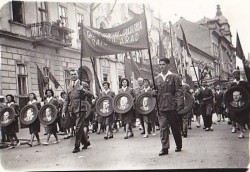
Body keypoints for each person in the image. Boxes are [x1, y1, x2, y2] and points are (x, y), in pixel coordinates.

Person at [153, 58, 184, 156]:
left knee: (175, 127)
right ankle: (164, 148)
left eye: (163, 64)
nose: (161, 66)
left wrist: (179, 105)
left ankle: (178, 144)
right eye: (160, 64)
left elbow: (179, 92)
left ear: (168, 65)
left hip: (172, 106)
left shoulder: (174, 77)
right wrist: (153, 93)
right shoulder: (157, 78)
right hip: (161, 106)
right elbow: (154, 91)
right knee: (163, 127)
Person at [62, 69, 92, 153]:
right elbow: (66, 100)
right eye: (71, 74)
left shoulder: (83, 84)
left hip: (81, 108)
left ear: (77, 74)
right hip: (72, 109)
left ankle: (77, 146)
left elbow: (90, 95)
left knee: (78, 127)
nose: (73, 76)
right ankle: (86, 142)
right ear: (70, 76)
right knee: (79, 127)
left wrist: (84, 91)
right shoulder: (69, 87)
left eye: (74, 74)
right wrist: (64, 111)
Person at [229, 69, 250, 138]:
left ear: (239, 74)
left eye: (237, 74)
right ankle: (241, 132)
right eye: (234, 74)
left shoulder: (244, 83)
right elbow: (230, 93)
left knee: (246, 117)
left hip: (244, 102)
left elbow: (248, 92)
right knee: (239, 117)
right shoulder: (233, 84)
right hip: (236, 103)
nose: (236, 76)